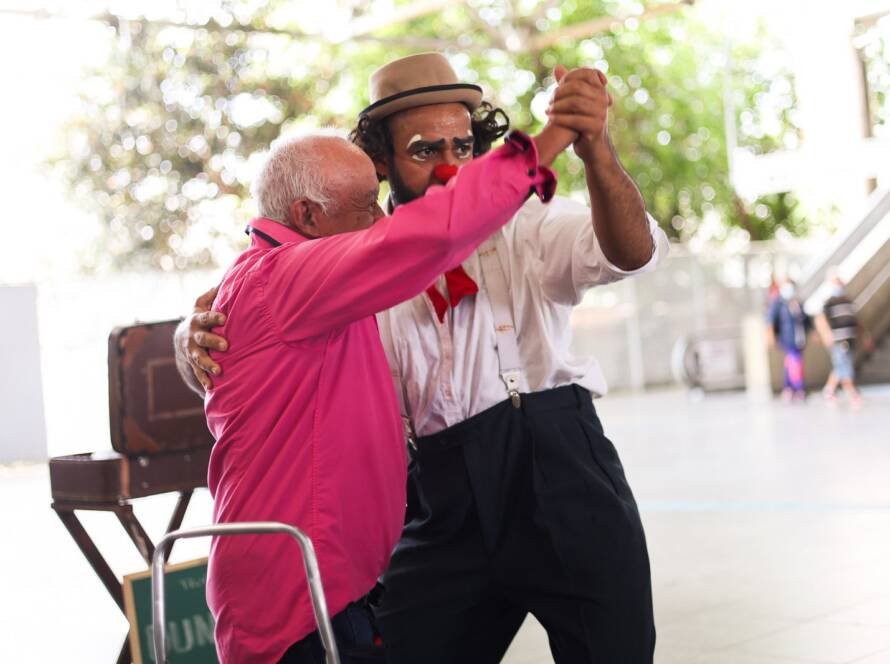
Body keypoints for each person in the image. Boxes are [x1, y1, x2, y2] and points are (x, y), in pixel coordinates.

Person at [178, 53, 669, 663]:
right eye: (423, 150)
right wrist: (189, 338)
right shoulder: (355, 252)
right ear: (381, 160)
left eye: (462, 147)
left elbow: (632, 252)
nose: (449, 167)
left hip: (556, 464)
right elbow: (261, 318)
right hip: (441, 490)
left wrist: (596, 153)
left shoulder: (527, 220)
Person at [199, 115, 574, 663]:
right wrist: (545, 144)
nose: (380, 218)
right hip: (299, 595)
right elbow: (427, 236)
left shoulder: (276, 283)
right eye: (365, 206)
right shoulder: (282, 280)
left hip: (323, 583)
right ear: (307, 215)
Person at [815, 272, 873, 406]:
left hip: (850, 338)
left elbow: (855, 320)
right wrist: (826, 334)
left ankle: (829, 390)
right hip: (839, 340)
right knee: (844, 365)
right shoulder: (829, 302)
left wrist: (865, 335)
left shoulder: (848, 301)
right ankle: (851, 391)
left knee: (841, 365)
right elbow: (820, 319)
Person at [766, 277, 813, 401]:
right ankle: (799, 388)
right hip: (788, 339)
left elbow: (806, 320)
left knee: (790, 364)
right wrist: (771, 337)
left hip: (799, 339)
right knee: (795, 362)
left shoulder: (798, 303)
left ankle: (788, 388)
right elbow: (771, 321)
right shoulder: (778, 303)